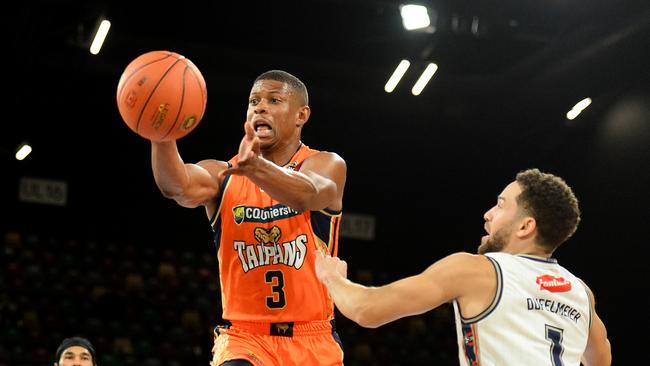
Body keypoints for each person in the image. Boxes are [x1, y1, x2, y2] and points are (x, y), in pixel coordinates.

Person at [316, 168, 612, 366]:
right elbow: (601, 360)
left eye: (500, 205)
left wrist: (332, 278)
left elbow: (367, 310)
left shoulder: (476, 270)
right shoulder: (580, 292)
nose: (488, 214)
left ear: (526, 226)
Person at [151, 70, 347, 365]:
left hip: (313, 340)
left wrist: (256, 168)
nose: (260, 107)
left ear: (301, 115)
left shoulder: (325, 163)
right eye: (253, 101)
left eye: (274, 100)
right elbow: (175, 186)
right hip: (245, 339)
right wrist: (161, 136)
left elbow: (306, 195)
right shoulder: (222, 175)